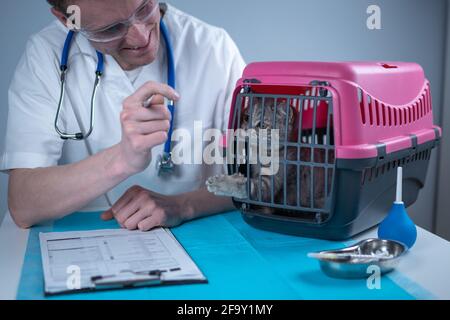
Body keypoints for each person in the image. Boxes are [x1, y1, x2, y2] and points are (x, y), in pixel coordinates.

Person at [0, 0, 246, 230]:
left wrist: (184, 205)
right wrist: (122, 159)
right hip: (85, 241)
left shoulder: (214, 47)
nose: (141, 37)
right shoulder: (46, 54)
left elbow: (261, 179)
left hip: (201, 236)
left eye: (144, 8)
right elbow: (24, 204)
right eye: (111, 29)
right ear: (68, 20)